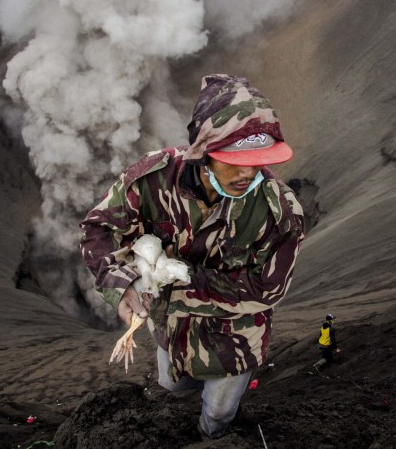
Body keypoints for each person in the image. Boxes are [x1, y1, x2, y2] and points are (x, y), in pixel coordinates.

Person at [80, 74, 305, 439]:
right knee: (170, 397)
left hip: (234, 347)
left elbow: (267, 289)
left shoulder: (279, 213)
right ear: (202, 149)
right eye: (233, 159)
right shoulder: (152, 181)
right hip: (170, 333)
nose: (247, 172)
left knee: (217, 417)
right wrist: (121, 287)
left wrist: (182, 280)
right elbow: (97, 229)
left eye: (257, 160)